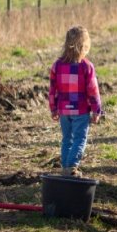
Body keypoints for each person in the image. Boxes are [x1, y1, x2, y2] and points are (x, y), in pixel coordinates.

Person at [49, 26, 102, 177]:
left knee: (67, 139)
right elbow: (93, 90)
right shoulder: (86, 66)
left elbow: (52, 90)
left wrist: (53, 108)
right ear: (85, 46)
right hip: (80, 110)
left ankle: (65, 167)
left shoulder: (57, 65)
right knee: (79, 138)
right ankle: (71, 167)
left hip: (64, 110)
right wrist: (97, 110)